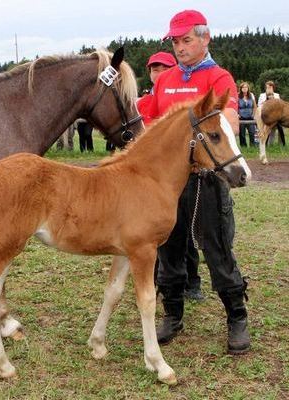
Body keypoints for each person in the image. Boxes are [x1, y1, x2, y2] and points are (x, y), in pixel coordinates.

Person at [147, 9, 250, 354]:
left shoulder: (218, 78)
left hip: (207, 179)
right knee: (169, 248)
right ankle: (172, 315)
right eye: (175, 41)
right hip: (166, 183)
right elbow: (149, 122)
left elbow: (231, 122)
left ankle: (236, 316)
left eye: (186, 39)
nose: (179, 47)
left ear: (205, 38)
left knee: (217, 249)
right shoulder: (164, 80)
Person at [141, 51, 204, 301]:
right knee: (153, 231)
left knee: (185, 228)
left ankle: (192, 281)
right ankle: (160, 280)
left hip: (182, 173)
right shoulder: (144, 102)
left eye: (163, 69)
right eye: (153, 69)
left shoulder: (181, 103)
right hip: (150, 177)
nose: (158, 74)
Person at [137, 51, 177, 125]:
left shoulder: (184, 99)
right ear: (150, 74)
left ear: (176, 72)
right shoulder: (140, 104)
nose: (161, 74)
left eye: (165, 69)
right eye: (155, 70)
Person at [258, 81, 285, 146]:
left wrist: (273, 99)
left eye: (270, 87)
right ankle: (266, 144)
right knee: (268, 127)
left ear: (273, 87)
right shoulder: (262, 95)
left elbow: (280, 105)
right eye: (267, 87)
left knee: (280, 127)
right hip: (266, 116)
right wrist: (267, 100)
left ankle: (283, 143)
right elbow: (259, 105)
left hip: (275, 116)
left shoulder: (276, 95)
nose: (268, 88)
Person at [238, 82, 258, 147]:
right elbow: (235, 106)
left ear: (248, 88)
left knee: (252, 132)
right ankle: (244, 147)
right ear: (241, 89)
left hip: (250, 118)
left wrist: (253, 114)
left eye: (246, 87)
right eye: (243, 87)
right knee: (242, 134)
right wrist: (237, 114)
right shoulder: (237, 96)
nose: (244, 88)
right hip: (241, 118)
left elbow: (255, 106)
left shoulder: (251, 95)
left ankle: (253, 146)